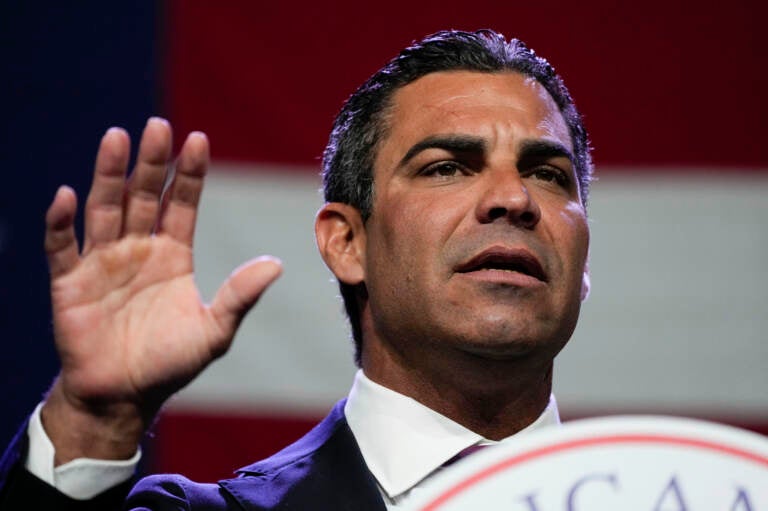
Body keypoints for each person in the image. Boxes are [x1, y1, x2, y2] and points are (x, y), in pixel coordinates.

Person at [0, 29, 592, 509]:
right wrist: (95, 422)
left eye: (548, 174)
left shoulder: (678, 490)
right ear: (347, 243)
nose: (514, 199)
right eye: (446, 168)